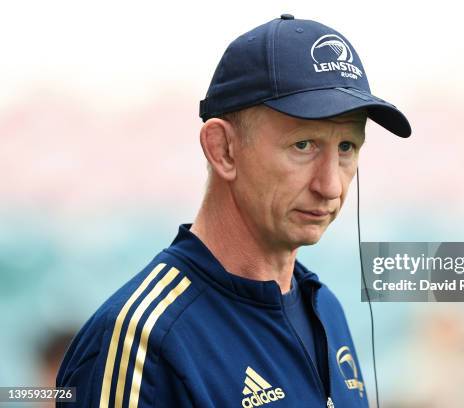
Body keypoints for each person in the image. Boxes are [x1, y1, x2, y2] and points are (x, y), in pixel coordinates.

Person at [56, 14, 411, 408]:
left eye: (346, 147)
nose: (330, 186)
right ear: (223, 150)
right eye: (303, 145)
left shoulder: (327, 310)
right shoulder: (145, 341)